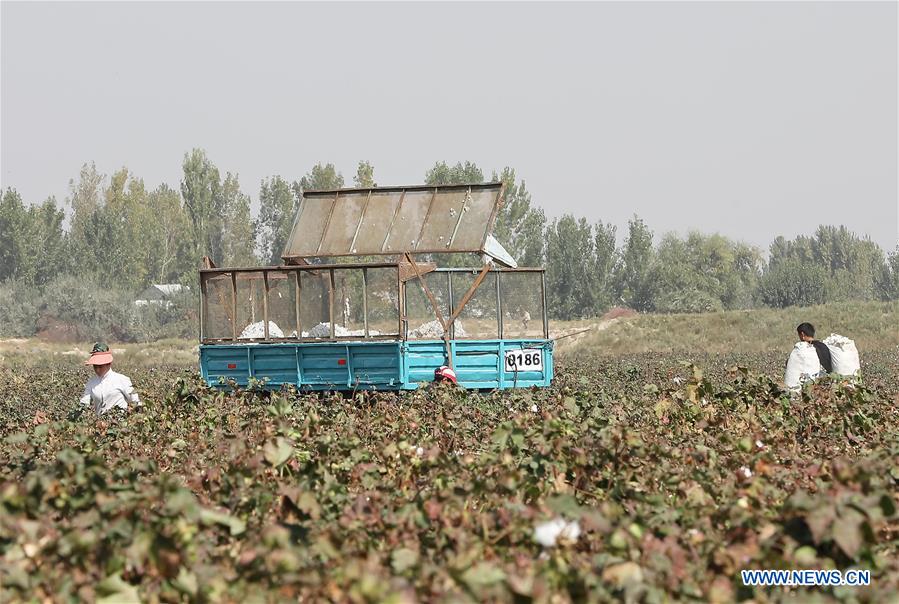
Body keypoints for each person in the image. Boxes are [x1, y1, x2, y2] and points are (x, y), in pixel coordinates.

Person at [79, 343, 141, 415]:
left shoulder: (122, 380)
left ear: (108, 364)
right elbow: (84, 402)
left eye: (100, 366)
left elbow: (135, 401)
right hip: (99, 423)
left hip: (120, 423)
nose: (97, 370)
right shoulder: (92, 382)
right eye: (95, 366)